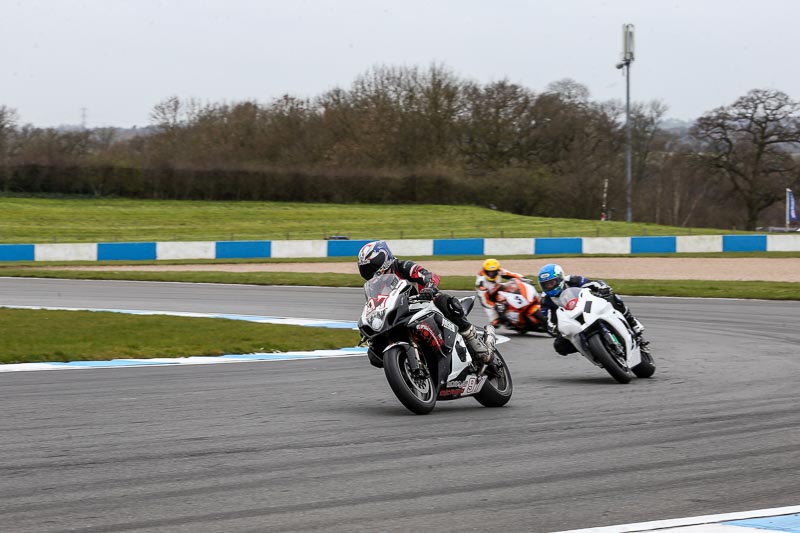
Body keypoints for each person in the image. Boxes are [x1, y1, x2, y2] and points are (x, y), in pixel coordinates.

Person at [357, 240, 496, 364]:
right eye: (365, 269)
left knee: (444, 301)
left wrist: (429, 288)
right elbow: (374, 305)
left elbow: (428, 275)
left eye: (371, 267)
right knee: (374, 354)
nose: (369, 272)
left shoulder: (402, 266)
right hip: (402, 314)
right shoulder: (375, 286)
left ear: (383, 258)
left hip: (426, 304)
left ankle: (478, 345)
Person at [537, 263, 646, 356]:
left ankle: (633, 322)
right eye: (546, 285)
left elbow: (593, 283)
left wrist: (602, 287)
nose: (549, 287)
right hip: (570, 321)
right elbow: (547, 319)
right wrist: (553, 328)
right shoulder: (545, 299)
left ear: (559, 279)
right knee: (559, 346)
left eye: (551, 283)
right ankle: (592, 349)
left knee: (612, 297)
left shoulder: (572, 280)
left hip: (588, 306)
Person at [475, 258, 526, 327]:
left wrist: (522, 278)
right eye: (489, 272)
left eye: (494, 272)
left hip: (497, 286)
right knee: (495, 322)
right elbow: (485, 301)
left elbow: (511, 274)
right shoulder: (481, 283)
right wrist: (494, 306)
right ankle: (497, 319)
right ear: (485, 271)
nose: (492, 274)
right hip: (486, 294)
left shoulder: (499, 271)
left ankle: (517, 305)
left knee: (512, 285)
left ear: (497, 270)